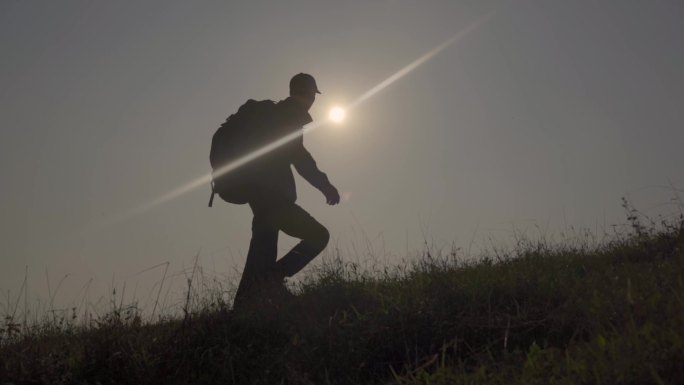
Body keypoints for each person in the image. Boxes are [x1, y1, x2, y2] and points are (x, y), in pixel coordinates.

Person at [229, 73, 340, 308]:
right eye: (313, 95)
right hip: (272, 198)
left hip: (257, 195)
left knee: (260, 255)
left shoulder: (275, 114)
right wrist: (325, 186)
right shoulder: (290, 116)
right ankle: (271, 282)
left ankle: (243, 307)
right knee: (318, 236)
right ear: (310, 95)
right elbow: (300, 159)